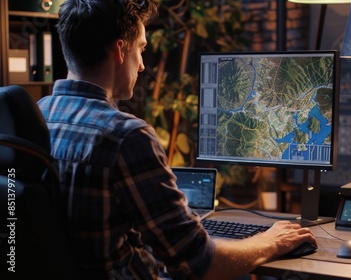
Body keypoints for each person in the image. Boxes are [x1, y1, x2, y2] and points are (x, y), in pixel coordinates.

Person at [37, 0, 317, 279]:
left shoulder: (38, 115)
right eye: (141, 49)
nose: (143, 65)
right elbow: (202, 265)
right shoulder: (126, 136)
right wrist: (272, 241)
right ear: (121, 50)